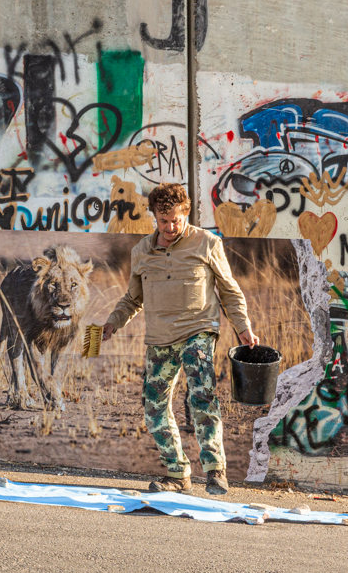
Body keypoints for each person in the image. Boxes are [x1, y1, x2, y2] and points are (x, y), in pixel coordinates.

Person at [103, 183, 258, 495]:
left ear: (186, 213)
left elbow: (229, 290)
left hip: (198, 330)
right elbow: (133, 299)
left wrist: (242, 326)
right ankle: (177, 474)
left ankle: (215, 471)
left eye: (176, 220)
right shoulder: (141, 252)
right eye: (163, 221)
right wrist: (112, 323)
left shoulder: (208, 243)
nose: (170, 227)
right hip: (160, 338)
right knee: (154, 405)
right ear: (154, 217)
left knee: (201, 394)